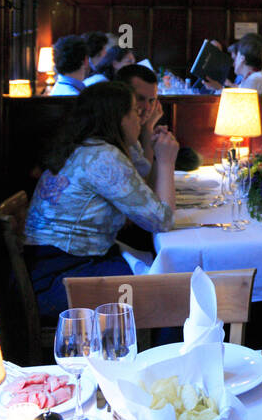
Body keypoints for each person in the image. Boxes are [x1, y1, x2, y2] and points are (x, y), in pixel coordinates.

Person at [24, 82, 177, 317]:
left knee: (164, 275)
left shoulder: (84, 147)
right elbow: (161, 221)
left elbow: (148, 199)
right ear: (118, 118)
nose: (140, 120)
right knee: (170, 294)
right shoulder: (103, 157)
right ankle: (159, 352)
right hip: (61, 279)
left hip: (47, 266)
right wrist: (166, 162)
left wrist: (159, 155)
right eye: (136, 113)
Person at [116, 63, 167, 181]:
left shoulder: (133, 130)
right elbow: (145, 183)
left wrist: (148, 127)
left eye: (152, 100)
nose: (148, 107)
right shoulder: (115, 133)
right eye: (140, 99)